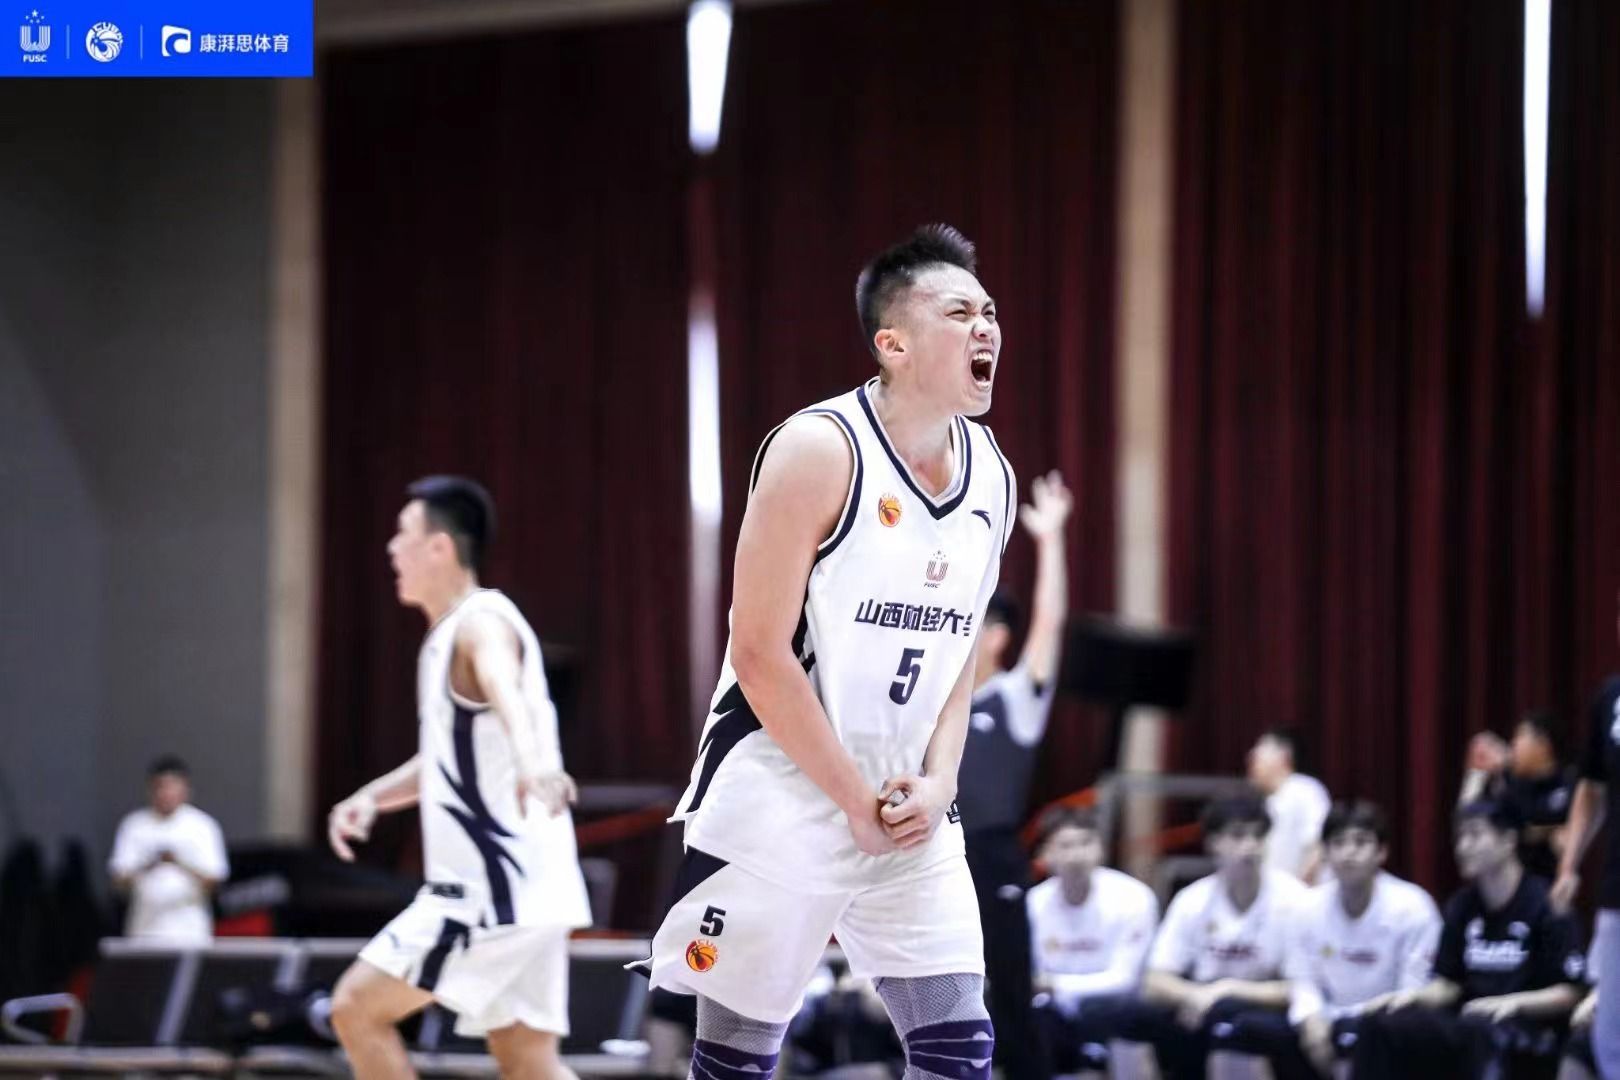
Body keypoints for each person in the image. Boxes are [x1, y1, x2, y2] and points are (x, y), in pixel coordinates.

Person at [639, 224, 1016, 1080]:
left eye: (991, 311)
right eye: (960, 312)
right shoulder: (818, 449)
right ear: (894, 343)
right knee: (735, 1062)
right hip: (783, 786)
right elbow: (758, 652)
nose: (986, 327)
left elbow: (960, 648)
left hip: (909, 800)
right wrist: (851, 799)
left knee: (959, 1050)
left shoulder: (992, 474)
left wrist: (942, 782)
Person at [325, 476, 591, 1080]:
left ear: (439, 547)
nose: (391, 548)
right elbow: (448, 759)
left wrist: (534, 764)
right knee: (528, 1062)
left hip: (490, 891)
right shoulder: (453, 632)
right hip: (537, 889)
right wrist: (371, 797)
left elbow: (505, 692)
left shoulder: (478, 624)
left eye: (403, 534)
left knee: (356, 1010)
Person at [957, 469, 1072, 1080]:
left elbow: (1050, 622)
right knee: (943, 990)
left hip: (994, 855)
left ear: (997, 637)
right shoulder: (935, 705)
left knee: (1009, 992)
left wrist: (1050, 538)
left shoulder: (1015, 699)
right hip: (938, 855)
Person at [1351, 800, 1586, 1080]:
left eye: (1474, 835)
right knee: (1379, 1025)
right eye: (1459, 837)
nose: (1463, 847)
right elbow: (1448, 984)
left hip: (1525, 1027)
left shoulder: (1545, 905)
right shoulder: (1462, 905)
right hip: (1468, 1023)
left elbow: (1572, 992)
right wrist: (1410, 997)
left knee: (1479, 1033)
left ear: (1508, 841)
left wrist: (1512, 1003)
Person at [1098, 795, 1309, 1080]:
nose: (1250, 846)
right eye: (1238, 836)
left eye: (1258, 836)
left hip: (1263, 1008)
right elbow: (1154, 980)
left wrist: (1226, 990)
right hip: (1200, 1003)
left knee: (1231, 1018)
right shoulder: (1193, 899)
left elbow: (1301, 988)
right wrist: (1195, 995)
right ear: (1213, 843)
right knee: (1126, 1015)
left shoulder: (1295, 900)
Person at [1279, 800, 1441, 1078]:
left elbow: (1412, 992)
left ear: (1381, 852)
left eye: (1361, 842)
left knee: (1355, 1037)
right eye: (1338, 843)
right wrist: (1311, 1019)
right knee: (1245, 1030)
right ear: (1325, 853)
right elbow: (1303, 982)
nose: (1349, 852)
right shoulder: (1305, 907)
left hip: (1389, 1024)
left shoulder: (1413, 907)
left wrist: (1362, 1021)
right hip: (1326, 1019)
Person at [1024, 806, 1158, 1076]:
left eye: (1086, 843)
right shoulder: (1033, 903)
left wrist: (1054, 985)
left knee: (1106, 1014)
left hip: (1116, 1009)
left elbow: (1125, 980)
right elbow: (1032, 978)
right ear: (1045, 854)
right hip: (1052, 1013)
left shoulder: (1134, 898)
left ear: (1101, 848)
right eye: (1065, 845)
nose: (1076, 855)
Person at [1554, 589, 1620, 1080]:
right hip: (1618, 889)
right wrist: (1569, 864)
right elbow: (1590, 790)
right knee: (1610, 1034)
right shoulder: (1610, 698)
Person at [108, 755, 229, 943]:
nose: (166, 793)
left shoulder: (202, 826)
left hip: (190, 931)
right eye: (160, 787)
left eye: (172, 786)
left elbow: (216, 880)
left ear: (185, 790)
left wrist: (178, 862)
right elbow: (118, 879)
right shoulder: (134, 825)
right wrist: (150, 864)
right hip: (144, 930)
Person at [1461, 711, 1577, 880]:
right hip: (1506, 883)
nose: (1513, 744)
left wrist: (1505, 767)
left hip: (1549, 884)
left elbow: (1532, 819)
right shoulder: (1508, 783)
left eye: (1520, 736)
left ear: (1543, 744)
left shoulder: (1568, 782)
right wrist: (1476, 774)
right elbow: (1472, 817)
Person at [1247, 729, 1331, 881]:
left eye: (1257, 758)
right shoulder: (1268, 802)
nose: (1252, 764)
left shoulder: (1305, 789)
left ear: (1283, 757)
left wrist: (1300, 889)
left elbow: (1317, 845)